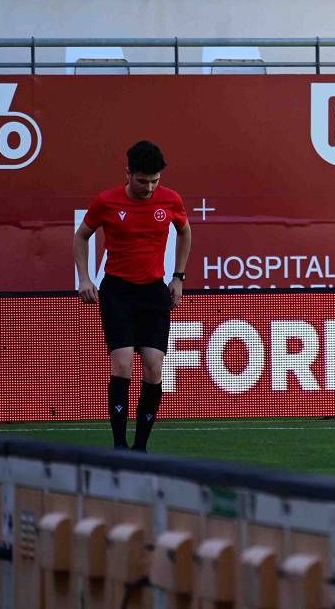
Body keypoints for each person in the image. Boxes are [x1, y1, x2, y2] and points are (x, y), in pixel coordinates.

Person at [74, 141, 191, 452]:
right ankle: (119, 446)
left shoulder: (170, 200)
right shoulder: (106, 201)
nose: (149, 187)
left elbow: (185, 231)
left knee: (154, 365)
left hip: (153, 290)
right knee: (122, 363)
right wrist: (85, 277)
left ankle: (141, 447)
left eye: (155, 181)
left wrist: (178, 277)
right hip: (118, 290)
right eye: (143, 181)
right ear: (128, 174)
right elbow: (81, 236)